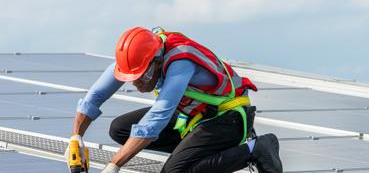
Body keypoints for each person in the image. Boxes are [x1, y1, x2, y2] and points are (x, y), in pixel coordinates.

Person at [66, 26, 282, 173]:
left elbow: (155, 120)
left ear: (157, 62)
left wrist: (114, 166)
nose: (136, 83)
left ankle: (255, 150)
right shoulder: (137, 54)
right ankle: (194, 152)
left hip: (228, 117)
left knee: (174, 172)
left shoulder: (180, 62)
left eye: (142, 77)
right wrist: (76, 137)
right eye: (131, 78)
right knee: (119, 129)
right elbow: (95, 96)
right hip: (194, 115)